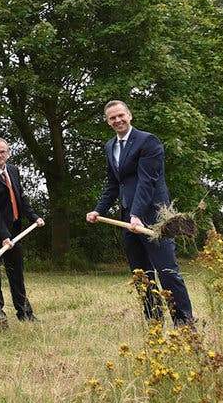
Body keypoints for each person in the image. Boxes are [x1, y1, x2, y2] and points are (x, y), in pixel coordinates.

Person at [86, 100, 194, 326]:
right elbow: (113, 184)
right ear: (107, 122)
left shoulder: (148, 141)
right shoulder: (110, 147)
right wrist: (98, 210)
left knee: (167, 271)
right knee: (141, 274)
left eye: (120, 115)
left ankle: (184, 322)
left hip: (153, 218)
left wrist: (137, 214)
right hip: (129, 219)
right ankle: (154, 321)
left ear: (129, 115)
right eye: (112, 118)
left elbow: (147, 181)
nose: (117, 120)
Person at [0, 137, 45, 329]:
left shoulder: (12, 170)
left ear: (8, 153)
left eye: (2, 152)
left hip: (13, 231)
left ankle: (24, 313)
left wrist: (34, 217)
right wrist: (4, 237)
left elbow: (20, 197)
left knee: (16, 273)